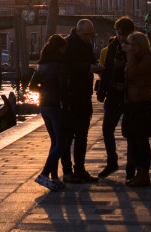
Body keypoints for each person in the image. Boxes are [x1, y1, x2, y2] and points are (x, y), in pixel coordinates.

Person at [61, 19, 103, 183]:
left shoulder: (86, 44)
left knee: (83, 135)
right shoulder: (67, 44)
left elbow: (90, 60)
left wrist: (97, 67)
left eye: (90, 34)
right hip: (71, 96)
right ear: (77, 31)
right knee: (68, 135)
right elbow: (65, 68)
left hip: (85, 95)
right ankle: (67, 171)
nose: (88, 37)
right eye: (86, 34)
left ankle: (80, 169)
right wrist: (87, 68)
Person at [96, 17, 135, 179]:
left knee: (131, 133)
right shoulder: (113, 46)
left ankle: (131, 169)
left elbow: (141, 72)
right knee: (107, 130)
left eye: (123, 34)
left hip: (131, 96)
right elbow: (107, 72)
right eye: (118, 34)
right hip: (113, 95)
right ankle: (112, 162)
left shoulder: (136, 47)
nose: (120, 37)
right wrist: (102, 92)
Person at [29, 34, 70, 191]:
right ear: (60, 48)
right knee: (61, 143)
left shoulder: (41, 64)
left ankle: (53, 178)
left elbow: (32, 87)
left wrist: (44, 90)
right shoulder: (60, 64)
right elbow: (64, 88)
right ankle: (44, 175)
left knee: (54, 142)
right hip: (57, 106)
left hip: (44, 106)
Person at [121, 31, 151, 187]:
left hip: (141, 103)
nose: (129, 47)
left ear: (140, 45)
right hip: (131, 103)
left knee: (142, 141)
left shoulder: (147, 60)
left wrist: (129, 56)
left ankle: (144, 174)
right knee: (133, 140)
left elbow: (132, 73)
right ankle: (138, 172)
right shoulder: (135, 58)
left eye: (132, 44)